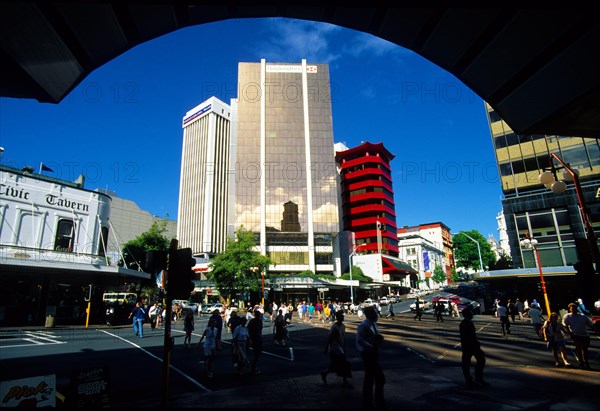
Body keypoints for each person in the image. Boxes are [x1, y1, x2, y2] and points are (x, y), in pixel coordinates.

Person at [356, 305, 385, 409]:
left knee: (374, 378)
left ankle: (374, 400)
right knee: (374, 378)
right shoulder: (363, 325)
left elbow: (374, 336)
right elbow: (359, 341)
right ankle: (371, 401)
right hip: (368, 354)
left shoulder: (374, 324)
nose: (376, 314)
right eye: (374, 313)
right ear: (369, 314)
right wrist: (371, 346)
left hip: (374, 352)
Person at [459, 305, 488, 388]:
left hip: (471, 345)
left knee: (478, 360)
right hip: (470, 346)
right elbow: (467, 336)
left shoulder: (467, 322)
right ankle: (472, 380)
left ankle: (475, 378)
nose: (472, 315)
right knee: (468, 363)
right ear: (468, 314)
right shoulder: (465, 323)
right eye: (471, 313)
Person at [321, 311, 352, 388]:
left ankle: (325, 373)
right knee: (343, 364)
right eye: (342, 316)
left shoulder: (343, 326)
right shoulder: (334, 327)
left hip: (340, 348)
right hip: (335, 348)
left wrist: (343, 348)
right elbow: (329, 338)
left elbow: (343, 338)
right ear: (338, 318)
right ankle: (345, 381)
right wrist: (326, 348)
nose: (343, 317)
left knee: (335, 364)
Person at [563, 302, 594, 370]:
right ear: (570, 309)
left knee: (585, 349)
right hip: (576, 334)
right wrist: (569, 332)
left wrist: (595, 329)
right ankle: (581, 361)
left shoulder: (582, 316)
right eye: (572, 308)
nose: (573, 309)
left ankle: (586, 361)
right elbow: (565, 325)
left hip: (584, 334)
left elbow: (590, 324)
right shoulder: (567, 316)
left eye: (574, 308)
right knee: (578, 348)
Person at [247, 309, 263, 374]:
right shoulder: (254, 321)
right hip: (255, 338)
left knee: (257, 353)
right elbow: (249, 329)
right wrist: (250, 338)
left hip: (258, 338)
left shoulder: (257, 321)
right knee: (256, 353)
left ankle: (253, 366)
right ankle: (253, 367)